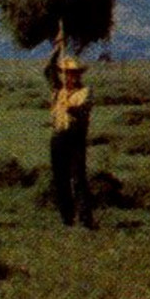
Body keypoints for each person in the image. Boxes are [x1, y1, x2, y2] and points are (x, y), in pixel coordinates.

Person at [46, 33, 96, 229]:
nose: (70, 76)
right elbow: (48, 69)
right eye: (66, 73)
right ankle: (67, 218)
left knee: (78, 178)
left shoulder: (85, 92)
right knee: (60, 179)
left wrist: (70, 106)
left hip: (75, 139)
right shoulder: (58, 90)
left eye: (73, 74)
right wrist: (57, 48)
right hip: (58, 138)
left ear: (78, 75)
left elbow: (82, 110)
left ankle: (85, 218)